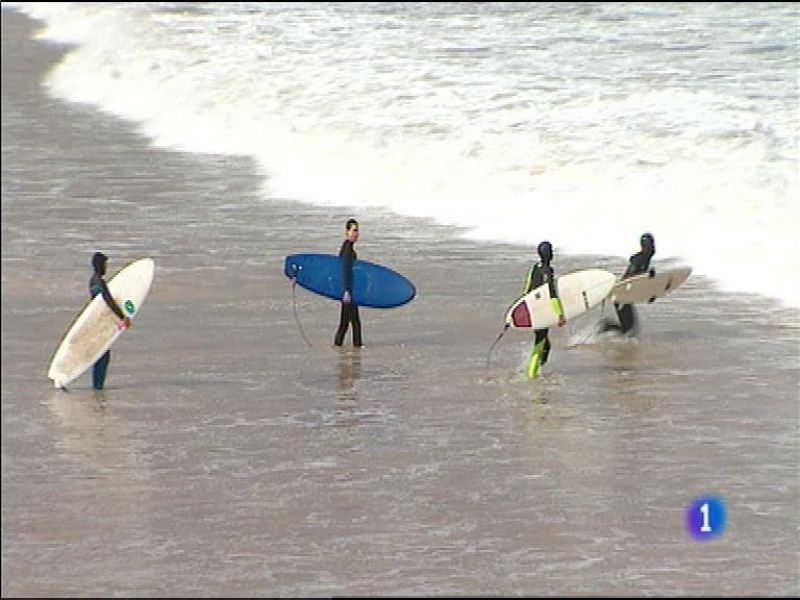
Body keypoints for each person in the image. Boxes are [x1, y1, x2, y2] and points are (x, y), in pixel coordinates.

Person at [522, 241, 565, 379]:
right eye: (551, 251)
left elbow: (527, 289)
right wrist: (559, 314)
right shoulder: (548, 271)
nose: (552, 253)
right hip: (542, 311)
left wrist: (525, 307)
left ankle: (537, 369)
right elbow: (551, 294)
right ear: (548, 254)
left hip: (533, 307)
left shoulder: (534, 268)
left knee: (545, 343)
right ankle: (531, 374)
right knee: (540, 342)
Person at [89, 252, 131, 390]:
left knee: (102, 354)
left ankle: (98, 385)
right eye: (105, 264)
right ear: (100, 265)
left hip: (98, 320)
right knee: (102, 354)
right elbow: (108, 301)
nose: (106, 267)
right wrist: (122, 317)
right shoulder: (99, 282)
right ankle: (97, 386)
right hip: (100, 322)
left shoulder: (93, 280)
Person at [602, 232, 656, 336]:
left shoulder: (645, 259)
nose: (653, 247)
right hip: (621, 296)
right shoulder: (640, 259)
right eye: (651, 244)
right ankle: (605, 327)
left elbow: (639, 281)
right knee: (629, 330)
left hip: (625, 295)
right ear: (645, 246)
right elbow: (630, 277)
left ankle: (607, 328)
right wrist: (646, 274)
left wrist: (651, 294)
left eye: (653, 244)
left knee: (630, 329)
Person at [334, 219, 363, 348]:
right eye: (354, 230)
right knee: (355, 323)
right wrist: (346, 290)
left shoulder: (349, 247)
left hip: (349, 290)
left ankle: (337, 346)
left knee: (345, 323)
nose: (356, 234)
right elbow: (345, 269)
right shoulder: (347, 248)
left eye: (357, 231)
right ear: (347, 232)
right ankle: (358, 349)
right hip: (348, 291)